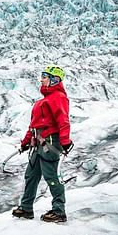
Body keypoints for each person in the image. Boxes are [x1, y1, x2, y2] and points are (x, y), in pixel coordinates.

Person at [12, 65, 73, 223]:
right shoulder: (42, 101)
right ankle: (26, 208)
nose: (41, 79)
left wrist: (65, 142)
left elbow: (63, 120)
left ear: (54, 79)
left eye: (45, 76)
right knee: (31, 175)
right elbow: (33, 126)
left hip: (50, 143)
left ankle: (59, 211)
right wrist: (25, 143)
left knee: (52, 176)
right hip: (37, 144)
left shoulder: (58, 97)